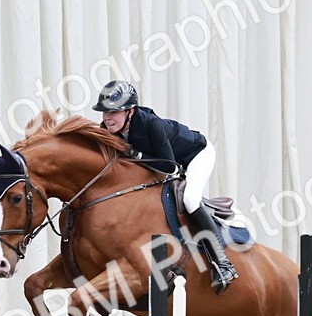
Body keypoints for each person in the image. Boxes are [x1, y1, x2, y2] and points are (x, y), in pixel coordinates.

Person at [92, 80, 238, 293]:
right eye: (105, 112)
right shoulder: (106, 130)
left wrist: (136, 155)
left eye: (113, 112)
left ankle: (224, 264)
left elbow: (170, 167)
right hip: (168, 162)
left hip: (196, 155)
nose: (107, 117)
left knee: (190, 199)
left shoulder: (151, 124)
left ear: (130, 111)